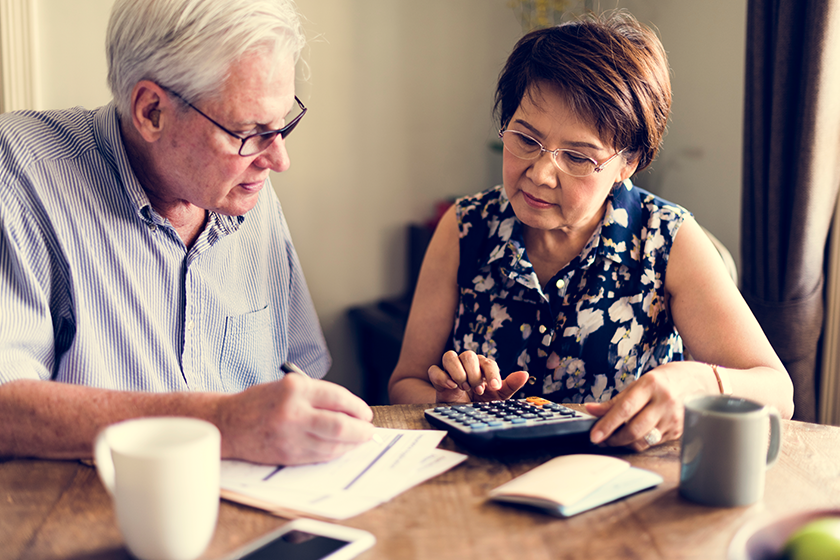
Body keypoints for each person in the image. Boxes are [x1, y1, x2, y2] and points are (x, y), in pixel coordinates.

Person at [388, 12, 794, 451]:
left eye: (578, 158)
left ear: (627, 163)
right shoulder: (466, 226)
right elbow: (405, 383)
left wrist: (700, 381)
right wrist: (450, 403)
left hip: (617, 485)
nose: (541, 174)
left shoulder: (667, 239)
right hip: (478, 482)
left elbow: (777, 392)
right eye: (526, 140)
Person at [0, 0, 374, 465]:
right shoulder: (19, 172)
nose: (278, 160)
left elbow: (299, 366)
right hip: (85, 511)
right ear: (151, 111)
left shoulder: (242, 184)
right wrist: (220, 423)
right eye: (249, 131)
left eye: (282, 125)